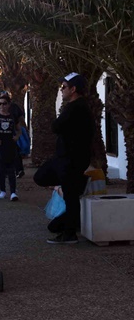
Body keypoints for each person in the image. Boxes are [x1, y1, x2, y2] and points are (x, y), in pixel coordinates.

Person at [34, 73, 95, 244]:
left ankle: (69, 234)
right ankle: (78, 183)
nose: (62, 90)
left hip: (71, 159)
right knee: (42, 177)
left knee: (70, 196)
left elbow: (56, 126)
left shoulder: (75, 107)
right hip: (65, 158)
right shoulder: (77, 107)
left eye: (64, 87)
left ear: (73, 89)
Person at [0, 94, 22, 201]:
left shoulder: (12, 116)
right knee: (1, 168)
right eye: (0, 104)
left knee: (11, 169)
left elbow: (19, 129)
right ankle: (2, 190)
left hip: (10, 145)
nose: (2, 106)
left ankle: (13, 192)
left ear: (9, 105)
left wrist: (17, 136)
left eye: (4, 104)